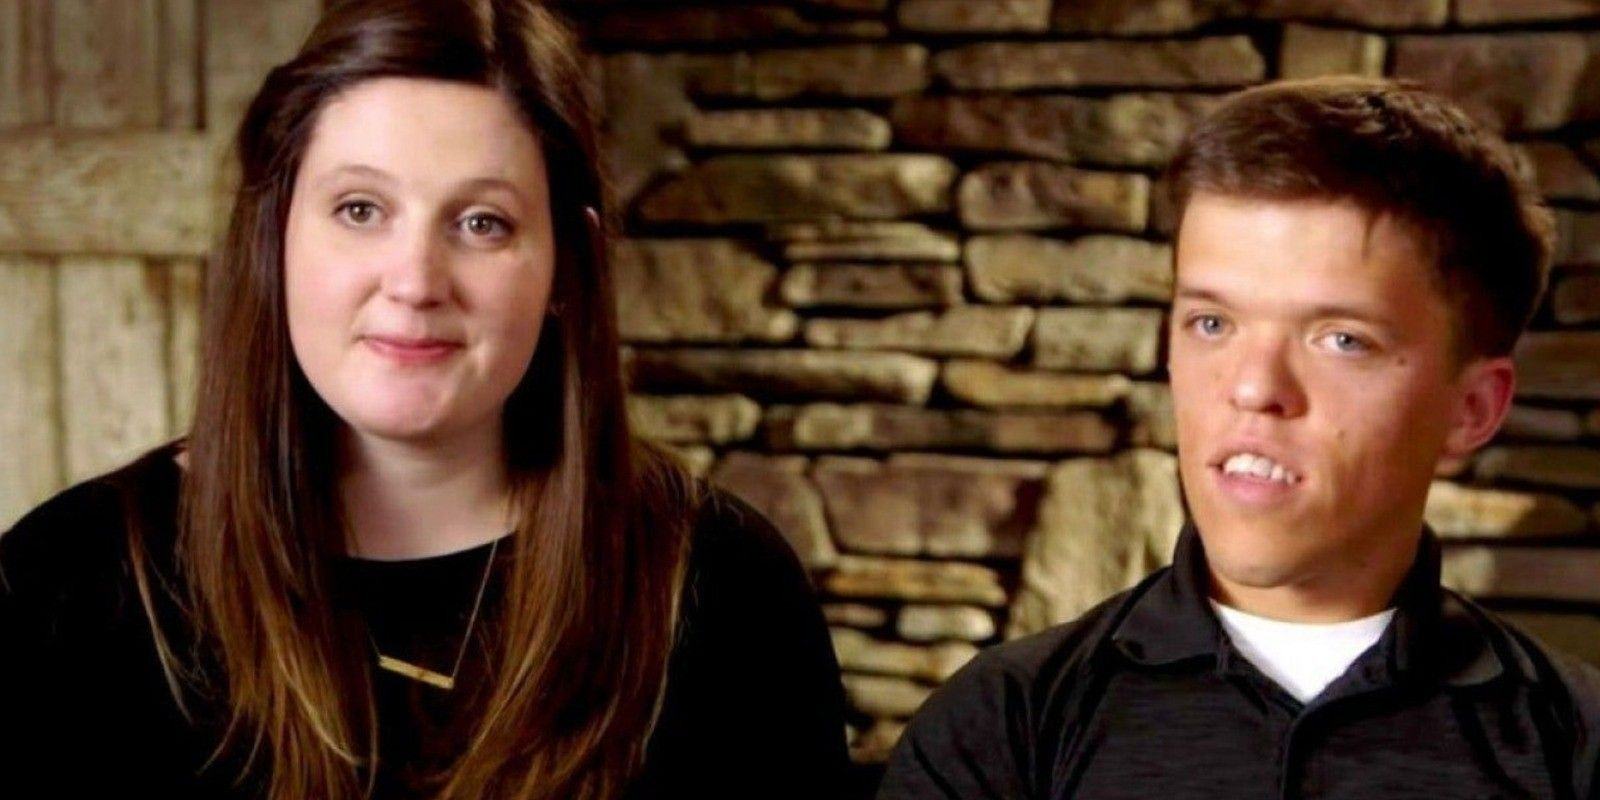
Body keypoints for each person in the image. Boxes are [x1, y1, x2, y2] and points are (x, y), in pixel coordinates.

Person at [0, 2, 848, 798]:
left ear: (568, 268)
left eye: (482, 223)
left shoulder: (723, 589)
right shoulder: (63, 587)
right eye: (360, 208)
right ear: (274, 236)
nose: (413, 281)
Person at [878, 77, 1600, 799]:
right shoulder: (1002, 727)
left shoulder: (1575, 750)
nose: (1253, 387)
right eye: (1212, 323)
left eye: (1342, 339)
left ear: (1471, 409)